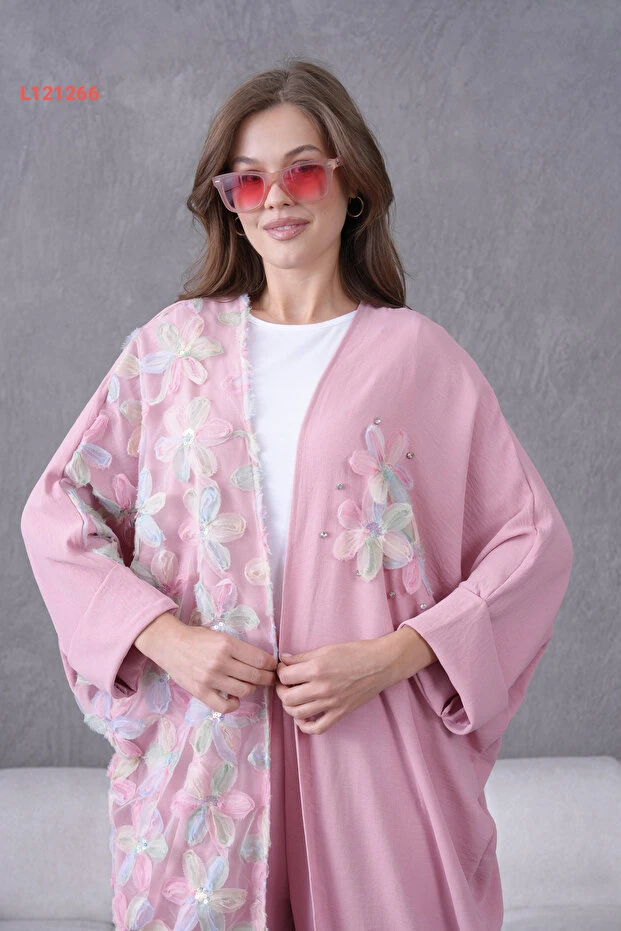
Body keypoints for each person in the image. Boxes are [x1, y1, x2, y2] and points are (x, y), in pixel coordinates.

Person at [21, 58, 573, 931]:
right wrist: (166, 638)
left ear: (351, 186)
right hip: (203, 764)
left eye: (303, 170)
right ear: (229, 204)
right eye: (247, 180)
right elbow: (58, 511)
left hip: (374, 754)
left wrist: (392, 656)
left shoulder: (416, 359)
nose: (276, 197)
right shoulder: (171, 351)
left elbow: (529, 546)